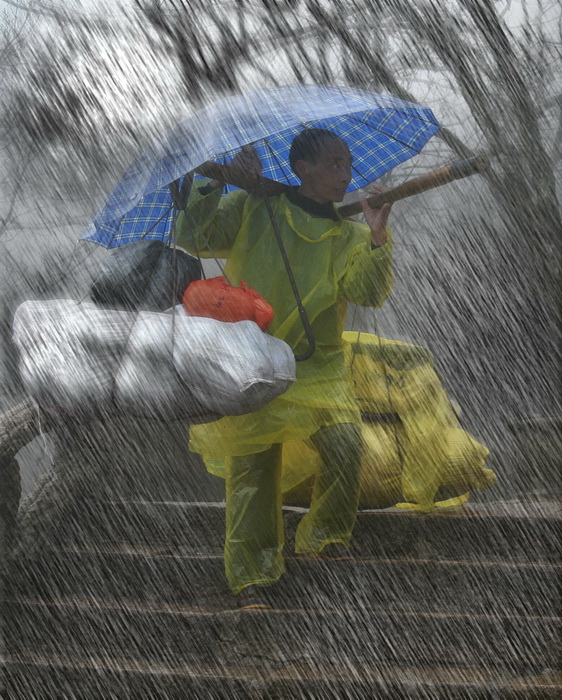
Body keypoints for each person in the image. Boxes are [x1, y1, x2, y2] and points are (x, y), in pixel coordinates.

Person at [174, 128, 394, 609]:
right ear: (301, 169)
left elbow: (368, 292)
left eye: (348, 163)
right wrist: (219, 184)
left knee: (345, 441)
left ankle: (325, 536)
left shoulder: (348, 233)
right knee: (253, 464)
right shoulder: (255, 206)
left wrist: (377, 232)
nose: (346, 175)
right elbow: (194, 236)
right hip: (255, 356)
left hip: (319, 365)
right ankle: (252, 575)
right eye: (333, 164)